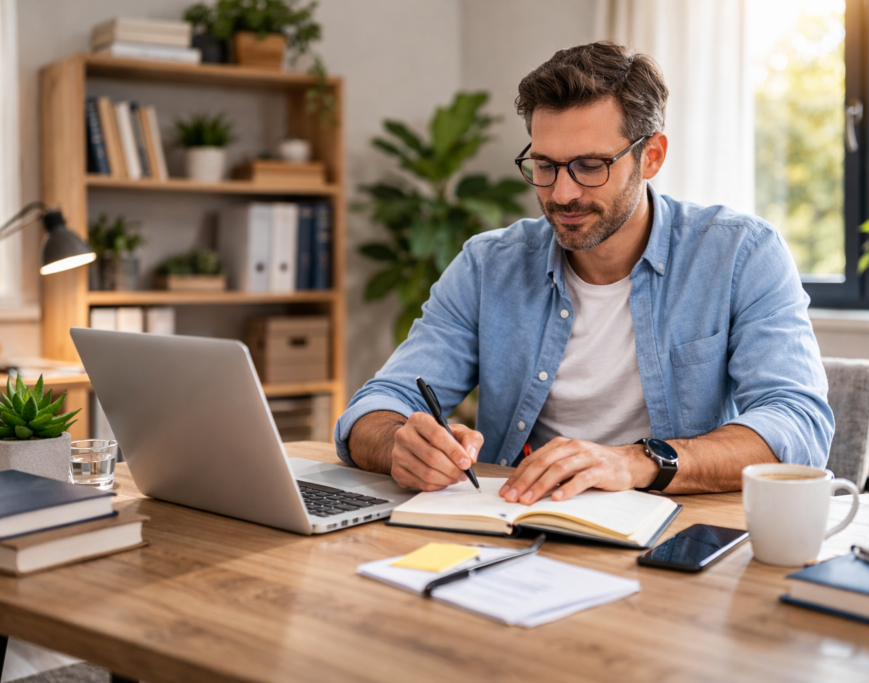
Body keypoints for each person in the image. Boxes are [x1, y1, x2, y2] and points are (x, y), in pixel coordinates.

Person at [334, 41, 833, 504]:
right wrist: (398, 443)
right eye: (545, 165)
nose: (563, 193)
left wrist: (637, 462)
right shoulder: (489, 266)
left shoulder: (740, 254)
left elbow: (798, 421)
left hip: (677, 528)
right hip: (521, 520)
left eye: (591, 165)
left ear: (651, 156)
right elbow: (379, 403)